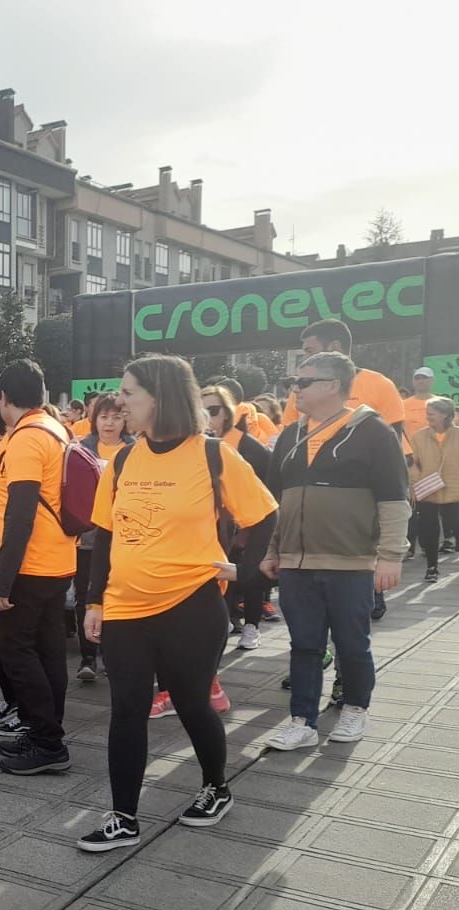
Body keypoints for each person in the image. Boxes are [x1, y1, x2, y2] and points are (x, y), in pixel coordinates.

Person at [77, 355, 277, 851]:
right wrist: (94, 601)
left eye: (129, 392)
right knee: (127, 709)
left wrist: (248, 574)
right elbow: (104, 536)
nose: (119, 401)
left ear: (159, 397)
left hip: (192, 605)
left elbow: (263, 514)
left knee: (191, 703)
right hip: (125, 608)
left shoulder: (212, 455)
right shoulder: (122, 459)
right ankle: (124, 816)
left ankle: (216, 786)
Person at [261, 351, 409, 751]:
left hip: (351, 562)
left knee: (351, 643)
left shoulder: (374, 431)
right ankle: (302, 720)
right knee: (304, 645)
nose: (295, 388)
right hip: (296, 563)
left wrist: (391, 556)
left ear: (332, 386)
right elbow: (280, 502)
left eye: (303, 381)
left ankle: (355, 710)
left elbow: (395, 500)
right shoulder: (290, 436)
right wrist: (274, 550)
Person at [0, 361, 78, 774]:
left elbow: (22, 515)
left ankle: (47, 741)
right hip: (56, 560)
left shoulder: (25, 440)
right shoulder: (56, 429)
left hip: (30, 565)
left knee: (16, 652)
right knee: (48, 651)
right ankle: (45, 730)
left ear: (4, 398)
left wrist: (1, 581)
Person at [202, 384, 274, 650]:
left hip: (247, 525)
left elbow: (267, 493)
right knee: (219, 580)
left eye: (213, 409)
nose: (208, 415)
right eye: (202, 409)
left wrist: (249, 532)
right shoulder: (196, 444)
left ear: (228, 412)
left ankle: (252, 627)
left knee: (248, 576)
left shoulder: (250, 448)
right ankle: (227, 623)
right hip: (213, 529)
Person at [72, 393, 131, 681]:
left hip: (124, 537)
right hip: (87, 536)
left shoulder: (135, 450)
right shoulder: (82, 449)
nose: (109, 423)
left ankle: (112, 654)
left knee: (117, 595)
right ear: (94, 419)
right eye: (104, 416)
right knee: (85, 595)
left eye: (116, 417)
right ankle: (87, 658)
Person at [280, 320, 405, 434]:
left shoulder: (380, 385)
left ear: (335, 347)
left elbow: (394, 445)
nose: (305, 358)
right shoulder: (300, 389)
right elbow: (289, 441)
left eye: (310, 351)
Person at [407, 396, 459, 583]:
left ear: (445, 414)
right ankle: (432, 568)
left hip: (454, 492)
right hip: (428, 492)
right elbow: (411, 464)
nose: (428, 416)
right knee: (429, 530)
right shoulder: (419, 436)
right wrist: (418, 481)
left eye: (432, 413)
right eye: (427, 412)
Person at [403, 368, 435, 439]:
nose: (421, 381)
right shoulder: (402, 405)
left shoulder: (443, 403)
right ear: (413, 381)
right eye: (417, 378)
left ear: (432, 380)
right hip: (410, 448)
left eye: (424, 378)